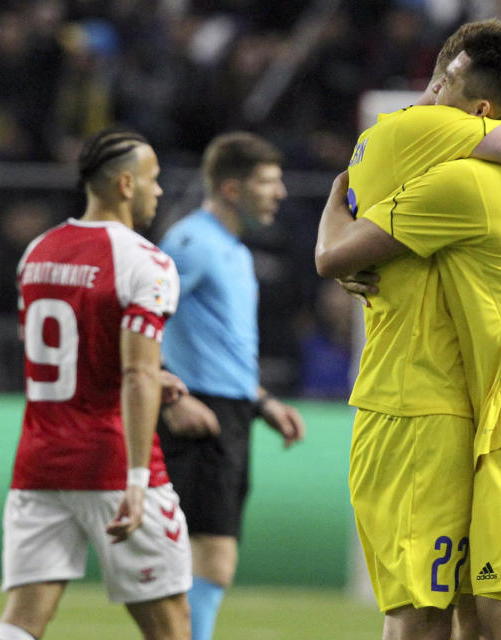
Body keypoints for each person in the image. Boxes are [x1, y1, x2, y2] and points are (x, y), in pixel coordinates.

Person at [317, 23, 501, 640]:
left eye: (440, 82)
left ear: (477, 112)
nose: (422, 94)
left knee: (439, 621)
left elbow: (333, 257)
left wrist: (335, 211)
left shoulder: (435, 162)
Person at [0, 126, 193, 640]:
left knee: (23, 620)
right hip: (112, 462)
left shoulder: (37, 251)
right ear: (126, 184)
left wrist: (144, 375)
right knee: (171, 628)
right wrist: (138, 480)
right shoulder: (147, 262)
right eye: (153, 179)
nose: (158, 190)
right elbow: (136, 372)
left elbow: (65, 351)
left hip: (39, 459)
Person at [156, 131, 306, 640]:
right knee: (205, 555)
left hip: (232, 408)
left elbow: (220, 342)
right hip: (197, 413)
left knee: (214, 558)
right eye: (267, 181)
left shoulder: (235, 251)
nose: (280, 192)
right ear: (232, 189)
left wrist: (262, 401)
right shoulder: (191, 243)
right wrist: (168, 393)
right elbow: (134, 320)